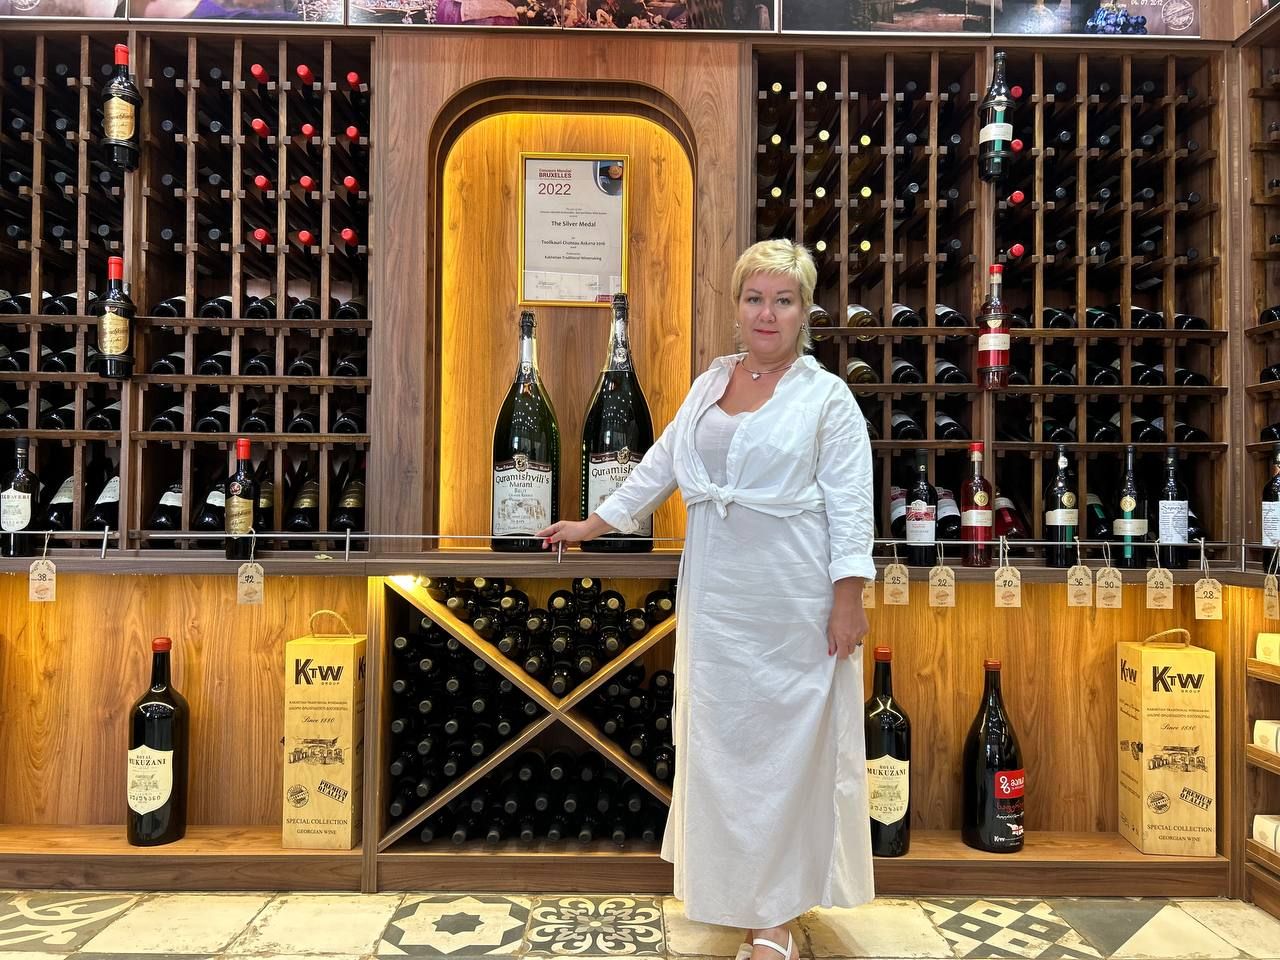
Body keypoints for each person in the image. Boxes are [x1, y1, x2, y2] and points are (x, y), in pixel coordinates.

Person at [537, 239, 875, 960]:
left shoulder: (827, 398)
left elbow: (851, 505)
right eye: (755, 298)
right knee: (725, 750)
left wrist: (848, 598)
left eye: (783, 300)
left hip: (792, 600)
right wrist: (594, 523)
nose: (767, 313)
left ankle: (774, 919)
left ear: (804, 312)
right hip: (718, 601)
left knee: (786, 753)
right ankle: (738, 896)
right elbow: (660, 465)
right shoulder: (710, 382)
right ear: (737, 307)